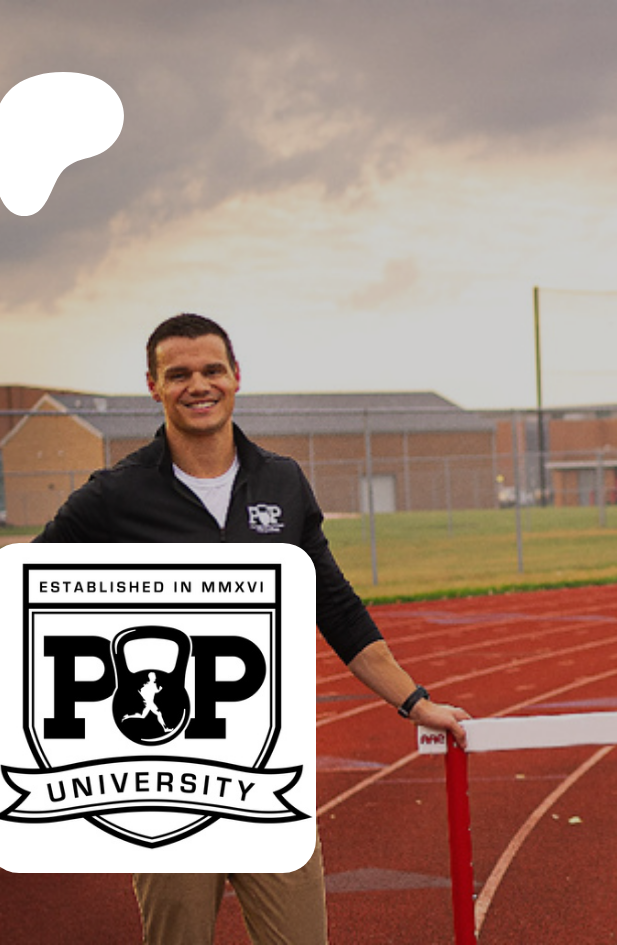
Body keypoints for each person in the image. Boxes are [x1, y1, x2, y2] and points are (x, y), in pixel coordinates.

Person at [35, 312, 471, 945]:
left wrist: (414, 701)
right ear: (153, 386)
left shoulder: (281, 481)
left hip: (267, 772)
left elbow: (335, 606)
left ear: (236, 376)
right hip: (162, 779)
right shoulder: (115, 495)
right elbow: (31, 591)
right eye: (178, 374)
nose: (198, 385)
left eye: (212, 370)